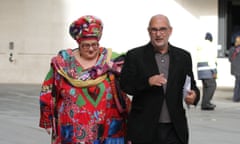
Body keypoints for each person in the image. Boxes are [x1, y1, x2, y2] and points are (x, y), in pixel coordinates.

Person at [39, 15, 130, 144]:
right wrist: (47, 119)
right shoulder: (62, 63)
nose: (91, 49)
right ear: (79, 44)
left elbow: (133, 79)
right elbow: (47, 90)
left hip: (108, 128)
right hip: (72, 131)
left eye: (95, 45)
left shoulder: (112, 61)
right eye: (86, 46)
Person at [120, 14, 200, 144]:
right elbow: (125, 85)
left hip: (174, 128)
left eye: (162, 29)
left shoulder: (183, 57)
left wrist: (194, 96)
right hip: (144, 127)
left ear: (170, 31)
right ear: (149, 31)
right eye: (154, 30)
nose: (158, 34)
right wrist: (147, 82)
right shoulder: (135, 56)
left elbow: (191, 85)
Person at [196, 32, 218, 110]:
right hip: (208, 69)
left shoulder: (200, 47)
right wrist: (214, 71)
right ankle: (206, 103)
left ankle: (204, 103)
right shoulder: (210, 46)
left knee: (206, 87)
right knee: (212, 85)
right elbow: (211, 59)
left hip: (200, 70)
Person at [229, 35, 240, 102]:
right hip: (238, 69)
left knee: (237, 83)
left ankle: (236, 97)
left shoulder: (232, 49)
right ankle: (236, 98)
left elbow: (230, 59)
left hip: (235, 69)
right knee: (238, 84)